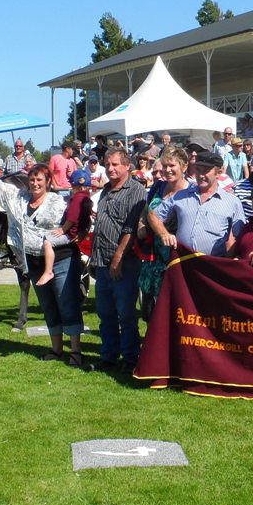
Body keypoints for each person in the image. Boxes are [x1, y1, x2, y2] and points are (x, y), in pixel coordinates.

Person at [0, 159, 84, 366]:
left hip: (61, 259)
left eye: (39, 179)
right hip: (34, 263)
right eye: (32, 179)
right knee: (48, 306)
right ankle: (56, 350)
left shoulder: (59, 202)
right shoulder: (18, 198)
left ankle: (76, 352)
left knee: (67, 303)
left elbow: (79, 216)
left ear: (48, 182)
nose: (35, 183)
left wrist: (80, 230)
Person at [91, 148, 147, 372]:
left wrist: (118, 257)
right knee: (105, 314)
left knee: (126, 314)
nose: (110, 168)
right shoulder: (105, 190)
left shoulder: (136, 190)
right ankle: (109, 356)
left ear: (127, 166)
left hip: (124, 262)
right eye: (108, 164)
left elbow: (131, 228)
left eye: (115, 164)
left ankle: (131, 358)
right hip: (101, 261)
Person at [152, 151, 246, 257]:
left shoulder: (232, 202)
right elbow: (154, 215)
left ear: (218, 173)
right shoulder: (181, 196)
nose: (201, 175)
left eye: (206, 171)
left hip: (212, 264)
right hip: (182, 262)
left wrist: (232, 258)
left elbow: (241, 236)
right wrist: (164, 234)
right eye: (198, 169)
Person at [136, 146, 191, 318]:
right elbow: (145, 212)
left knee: (174, 310)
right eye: (165, 165)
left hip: (177, 258)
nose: (167, 170)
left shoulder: (192, 191)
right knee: (150, 312)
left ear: (184, 166)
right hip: (154, 258)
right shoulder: (158, 187)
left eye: (172, 165)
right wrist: (141, 225)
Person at [37, 169, 93, 287]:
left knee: (47, 242)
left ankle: (48, 271)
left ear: (76, 185)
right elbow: (88, 219)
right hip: (77, 232)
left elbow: (72, 218)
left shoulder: (77, 199)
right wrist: (84, 231)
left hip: (70, 234)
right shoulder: (87, 198)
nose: (71, 187)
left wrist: (63, 230)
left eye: (73, 185)